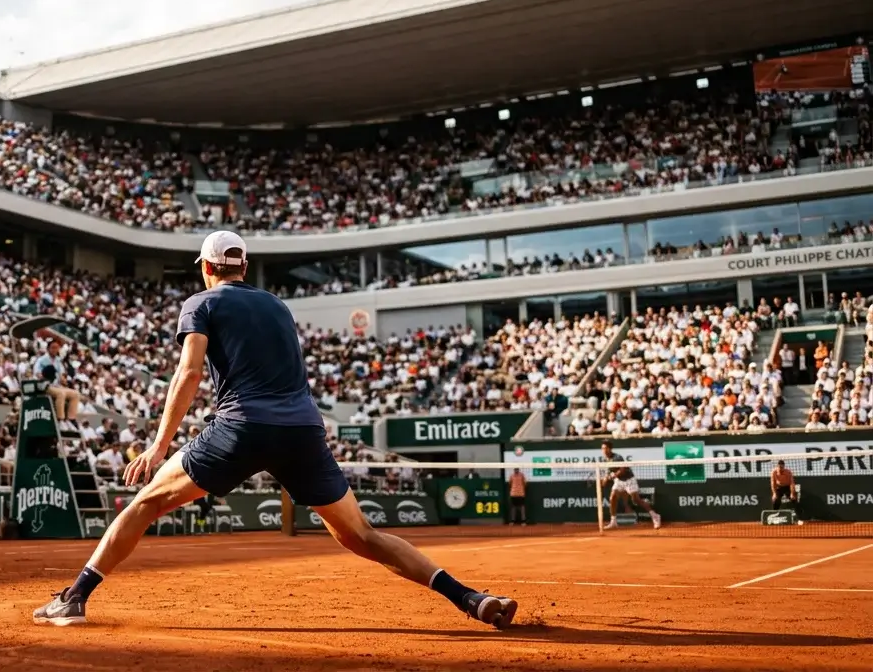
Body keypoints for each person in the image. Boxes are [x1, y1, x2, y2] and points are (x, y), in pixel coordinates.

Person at [33, 231, 516, 629]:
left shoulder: (200, 303)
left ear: (206, 267)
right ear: (244, 267)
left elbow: (189, 372)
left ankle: (74, 598)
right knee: (363, 535)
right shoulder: (278, 307)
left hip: (242, 426)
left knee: (145, 503)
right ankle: (469, 598)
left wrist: (159, 446)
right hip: (303, 431)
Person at [599, 440, 661, 530]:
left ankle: (655, 516)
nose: (604, 450)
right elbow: (609, 470)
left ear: (610, 449)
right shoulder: (605, 459)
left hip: (629, 480)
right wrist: (606, 477)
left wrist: (614, 475)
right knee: (612, 498)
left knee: (636, 500)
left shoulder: (617, 457)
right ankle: (613, 521)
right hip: (619, 481)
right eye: (602, 448)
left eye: (605, 448)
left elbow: (623, 469)